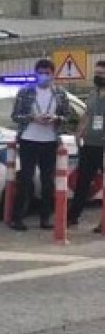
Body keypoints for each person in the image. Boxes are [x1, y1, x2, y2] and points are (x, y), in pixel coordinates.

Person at [9, 58, 71, 231]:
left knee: (47, 181)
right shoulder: (25, 92)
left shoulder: (59, 93)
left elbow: (67, 116)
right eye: (40, 73)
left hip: (50, 141)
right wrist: (32, 118)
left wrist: (56, 119)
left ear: (53, 74)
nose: (44, 76)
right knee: (26, 179)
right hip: (29, 139)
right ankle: (18, 218)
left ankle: (45, 218)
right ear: (36, 74)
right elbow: (15, 116)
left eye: (47, 73)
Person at [70, 59, 105, 232]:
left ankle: (102, 223)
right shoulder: (92, 94)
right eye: (96, 73)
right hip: (90, 144)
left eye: (101, 74)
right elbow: (87, 115)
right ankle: (72, 216)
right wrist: (79, 132)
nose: (97, 77)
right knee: (82, 181)